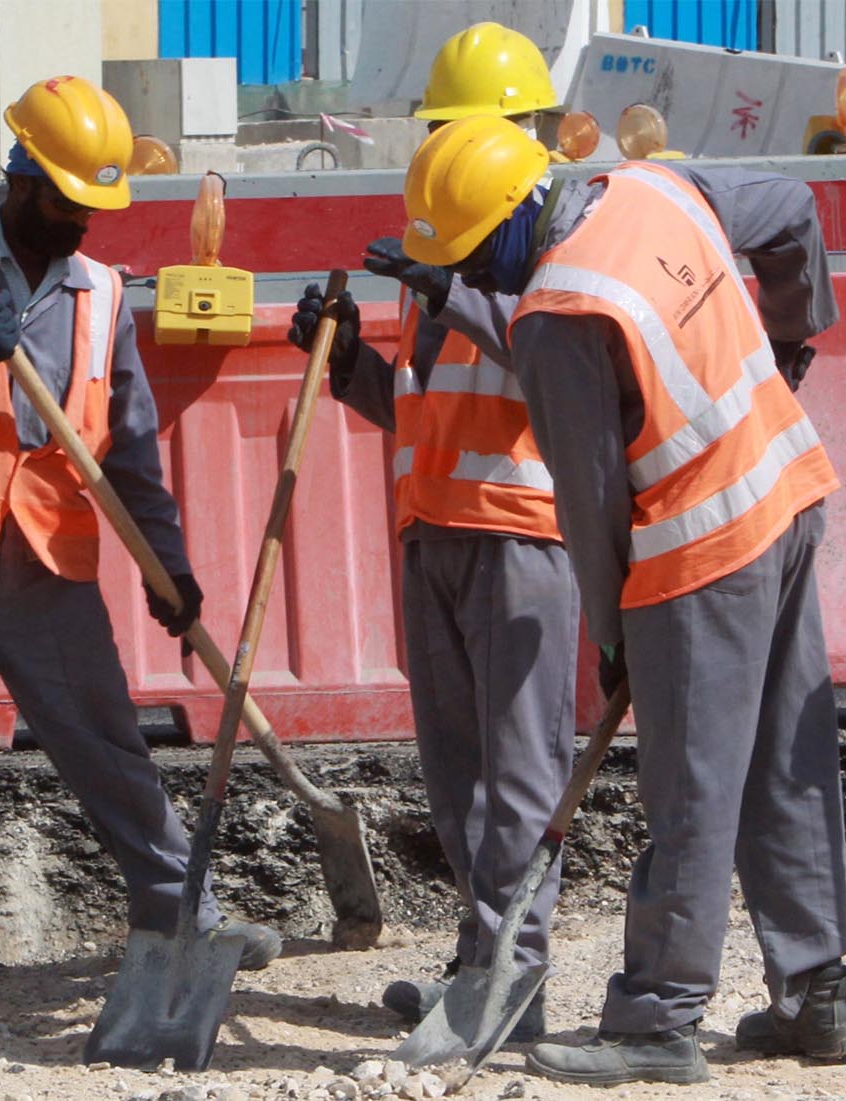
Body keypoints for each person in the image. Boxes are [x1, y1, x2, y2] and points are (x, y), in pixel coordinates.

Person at [399, 114, 846, 1085]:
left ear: (515, 217)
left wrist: (612, 639)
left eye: (479, 258)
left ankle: (656, 1018)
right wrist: (788, 343)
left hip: (699, 549)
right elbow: (791, 210)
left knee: (688, 787)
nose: (479, 279)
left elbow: (591, 498)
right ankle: (819, 993)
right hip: (781, 489)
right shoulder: (653, 186)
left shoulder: (557, 312)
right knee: (783, 754)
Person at [0, 74, 280, 1035]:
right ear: (20, 176)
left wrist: (167, 567)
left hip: (48, 565)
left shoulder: (101, 296)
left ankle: (183, 914)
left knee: (109, 749)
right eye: (68, 201)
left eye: (96, 205)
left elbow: (128, 452)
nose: (84, 222)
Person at [289, 21, 577, 1044]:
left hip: (519, 534)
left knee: (519, 775)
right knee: (457, 778)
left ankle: (511, 978)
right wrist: (348, 365)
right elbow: (424, 406)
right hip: (434, 535)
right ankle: (479, 960)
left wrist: (451, 295)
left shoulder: (553, 238)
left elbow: (553, 365)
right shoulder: (442, 242)